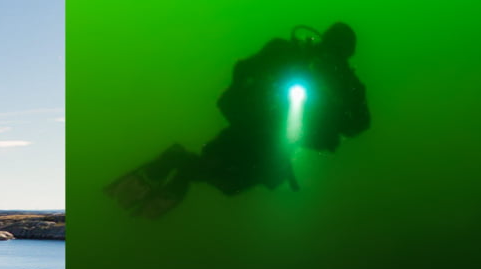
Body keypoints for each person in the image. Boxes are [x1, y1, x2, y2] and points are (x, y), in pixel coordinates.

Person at [107, 22, 369, 217]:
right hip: (253, 131)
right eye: (330, 49)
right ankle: (177, 163)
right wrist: (269, 86)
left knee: (226, 182)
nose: (330, 59)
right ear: (323, 42)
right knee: (222, 175)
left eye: (338, 54)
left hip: (272, 145)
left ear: (346, 57)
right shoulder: (290, 54)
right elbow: (245, 69)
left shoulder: (347, 85)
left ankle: (180, 169)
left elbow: (360, 123)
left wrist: (335, 101)